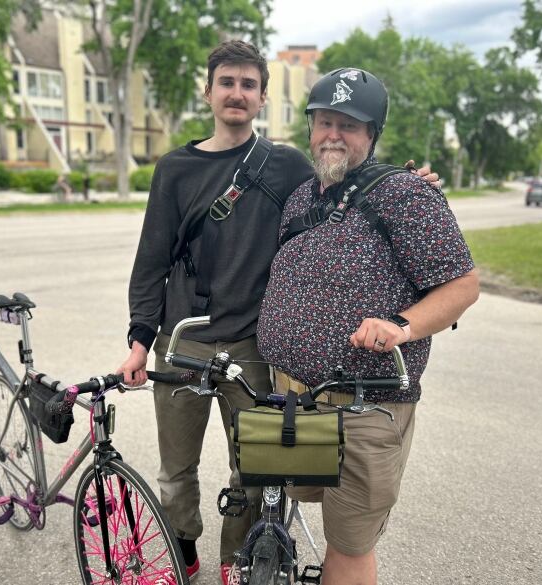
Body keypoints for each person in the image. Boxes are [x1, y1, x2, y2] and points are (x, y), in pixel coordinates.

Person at [117, 42, 440, 584]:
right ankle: (183, 546)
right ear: (209, 91)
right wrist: (138, 338)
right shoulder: (174, 168)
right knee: (175, 469)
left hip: (252, 347)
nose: (236, 93)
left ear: (262, 97)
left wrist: (410, 184)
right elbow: (151, 258)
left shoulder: (287, 164)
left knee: (256, 468)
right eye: (226, 82)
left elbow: (343, 185)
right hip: (184, 340)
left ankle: (235, 562)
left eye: (248, 84)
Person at [256, 68, 480, 585]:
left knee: (350, 542)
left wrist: (401, 326)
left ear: (372, 134)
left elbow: (462, 285)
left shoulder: (407, 195)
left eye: (349, 125)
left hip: (363, 404)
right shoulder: (301, 196)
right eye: (324, 122)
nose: (333, 134)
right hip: (290, 396)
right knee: (283, 505)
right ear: (310, 128)